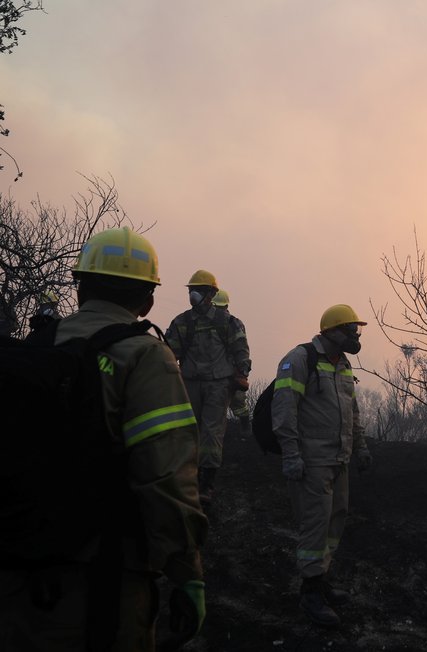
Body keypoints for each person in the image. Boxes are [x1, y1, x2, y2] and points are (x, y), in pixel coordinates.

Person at [0, 227, 208, 650]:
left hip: (15, 577)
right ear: (147, 299)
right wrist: (188, 574)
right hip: (104, 583)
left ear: (80, 288)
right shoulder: (146, 355)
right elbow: (166, 479)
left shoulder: (35, 347)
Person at [272, 304, 373, 627]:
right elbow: (284, 411)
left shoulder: (342, 365)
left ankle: (321, 577)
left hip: (339, 459)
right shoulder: (301, 360)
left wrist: (361, 448)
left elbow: (352, 412)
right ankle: (310, 593)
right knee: (315, 526)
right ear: (331, 331)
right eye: (350, 330)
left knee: (334, 522)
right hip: (312, 461)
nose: (355, 337)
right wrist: (291, 455)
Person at [165, 270, 251, 506]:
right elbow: (170, 352)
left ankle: (206, 483)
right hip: (190, 383)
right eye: (192, 290)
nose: (194, 295)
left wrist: (241, 373)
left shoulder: (228, 323)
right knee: (188, 431)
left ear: (211, 294)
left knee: (212, 433)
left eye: (200, 291)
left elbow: (240, 349)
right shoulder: (181, 322)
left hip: (218, 385)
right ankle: (187, 478)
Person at [211, 289, 251, 436]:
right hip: (225, 372)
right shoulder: (235, 323)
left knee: (238, 403)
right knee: (236, 403)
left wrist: (242, 372)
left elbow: (241, 349)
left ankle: (245, 430)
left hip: (229, 371)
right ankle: (244, 430)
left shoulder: (233, 324)